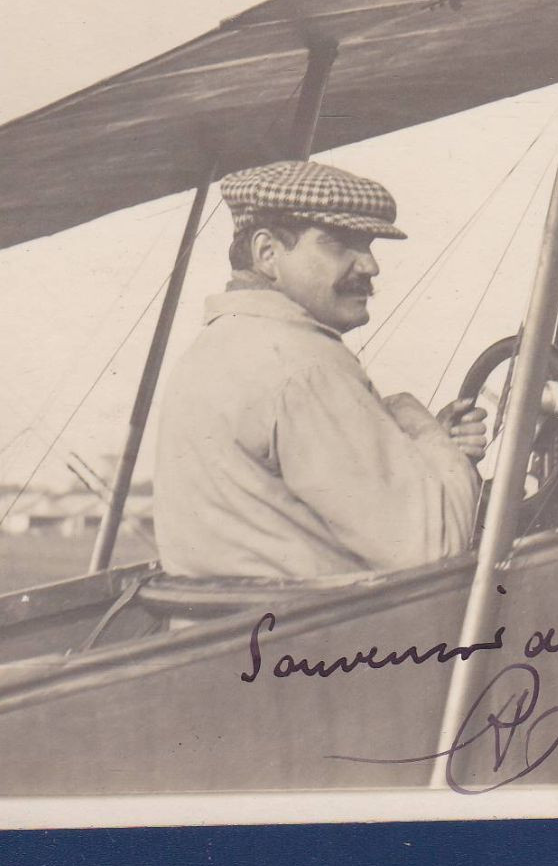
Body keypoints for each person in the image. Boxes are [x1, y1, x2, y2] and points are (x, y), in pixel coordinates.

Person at [152, 159, 486, 580]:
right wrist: (418, 425)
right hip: (314, 640)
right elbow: (434, 547)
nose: (370, 266)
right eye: (339, 243)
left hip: (232, 629)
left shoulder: (218, 345)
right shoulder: (305, 367)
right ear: (267, 253)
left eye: (368, 246)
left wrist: (421, 454)